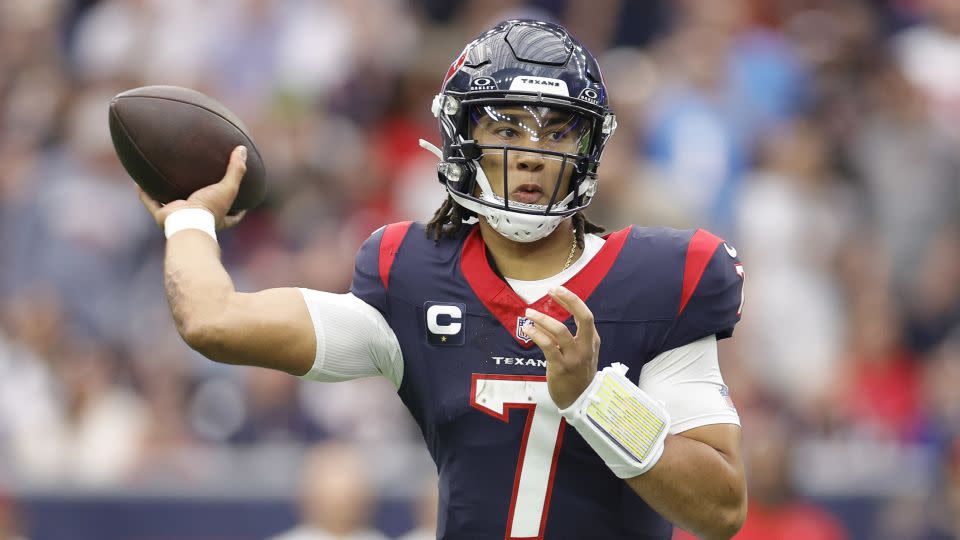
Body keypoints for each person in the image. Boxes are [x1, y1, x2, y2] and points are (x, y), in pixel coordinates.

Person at [138, 19, 747, 540]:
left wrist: (597, 398)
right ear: (465, 139)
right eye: (507, 129)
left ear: (589, 148)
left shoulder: (659, 279)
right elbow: (213, 321)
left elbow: (722, 508)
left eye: (557, 130)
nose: (532, 153)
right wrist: (190, 217)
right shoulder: (409, 277)